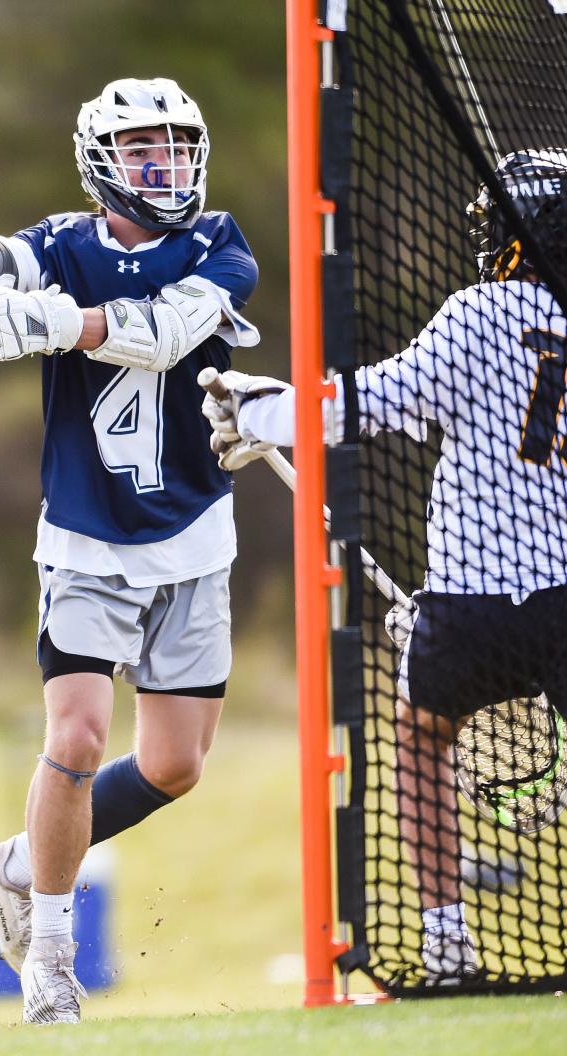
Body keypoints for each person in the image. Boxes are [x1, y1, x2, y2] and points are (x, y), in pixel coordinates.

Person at [0, 77, 260, 1023]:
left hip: (194, 539)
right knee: (78, 736)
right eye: (141, 149)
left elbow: (167, 335)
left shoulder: (218, 244)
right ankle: (50, 960)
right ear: (101, 163)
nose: (161, 164)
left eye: (173, 146)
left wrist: (55, 324)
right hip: (86, 539)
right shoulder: (55, 244)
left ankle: (13, 863)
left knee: (174, 766)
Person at [203, 148, 567, 985]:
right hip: (563, 599)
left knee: (421, 739)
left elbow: (371, 403)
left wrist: (267, 410)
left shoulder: (482, 312)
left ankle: (445, 945)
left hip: (472, 603)